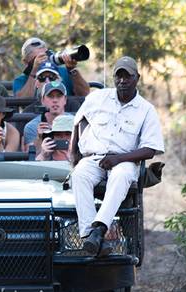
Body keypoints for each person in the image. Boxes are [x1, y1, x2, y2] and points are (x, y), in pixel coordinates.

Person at [69, 56, 164, 257]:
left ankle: (98, 230)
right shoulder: (97, 98)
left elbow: (150, 149)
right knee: (79, 175)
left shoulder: (146, 110)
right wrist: (74, 157)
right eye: (118, 76)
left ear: (136, 78)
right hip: (94, 157)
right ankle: (90, 238)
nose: (122, 80)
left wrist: (118, 159)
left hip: (126, 160)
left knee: (121, 176)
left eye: (127, 76)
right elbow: (78, 124)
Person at [13, 37, 90, 98]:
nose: (43, 60)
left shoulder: (64, 72)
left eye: (45, 55)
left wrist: (72, 69)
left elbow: (84, 94)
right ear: (26, 62)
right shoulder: (21, 80)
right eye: (38, 58)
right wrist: (34, 71)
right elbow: (23, 101)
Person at [23, 81, 71, 151]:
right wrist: (39, 138)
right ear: (42, 100)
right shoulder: (32, 127)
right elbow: (31, 157)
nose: (55, 100)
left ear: (65, 100)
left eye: (59, 96)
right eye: (50, 96)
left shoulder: (75, 122)